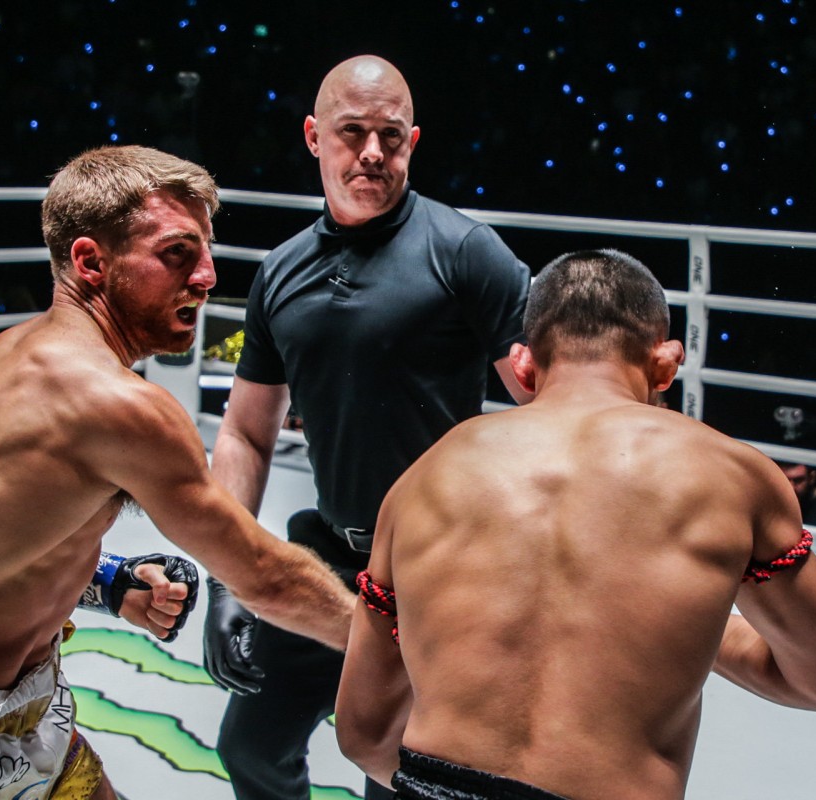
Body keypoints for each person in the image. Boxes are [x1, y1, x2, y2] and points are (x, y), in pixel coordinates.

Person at [0, 145, 356, 800]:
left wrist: (109, 584)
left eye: (206, 251)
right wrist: (399, 646)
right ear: (92, 262)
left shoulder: (4, 355)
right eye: (177, 253)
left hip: (24, 710)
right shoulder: (119, 406)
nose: (208, 276)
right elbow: (262, 576)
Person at [335, 249, 816, 800]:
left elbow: (363, 734)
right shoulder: (733, 474)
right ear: (666, 364)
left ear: (523, 365)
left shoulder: (423, 477)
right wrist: (702, 627)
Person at [204, 55, 532, 800]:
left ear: (412, 141)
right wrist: (230, 578)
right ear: (315, 137)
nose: (373, 153)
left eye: (391, 135)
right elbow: (246, 433)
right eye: (353, 132)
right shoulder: (281, 271)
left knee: (403, 782)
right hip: (328, 560)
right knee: (250, 749)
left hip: (437, 572)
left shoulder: (464, 251)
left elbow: (551, 405)